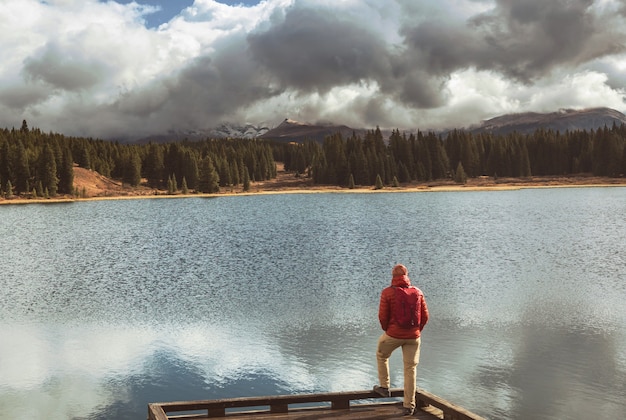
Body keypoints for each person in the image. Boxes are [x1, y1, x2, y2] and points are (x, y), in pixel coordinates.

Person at [373, 264, 429, 416]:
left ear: (393, 276)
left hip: (394, 334)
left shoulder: (387, 292)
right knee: (410, 369)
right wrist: (416, 331)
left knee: (381, 354)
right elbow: (425, 317)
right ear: (406, 276)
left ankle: (384, 387)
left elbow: (382, 316)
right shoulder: (417, 292)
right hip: (414, 337)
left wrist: (388, 330)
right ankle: (409, 406)